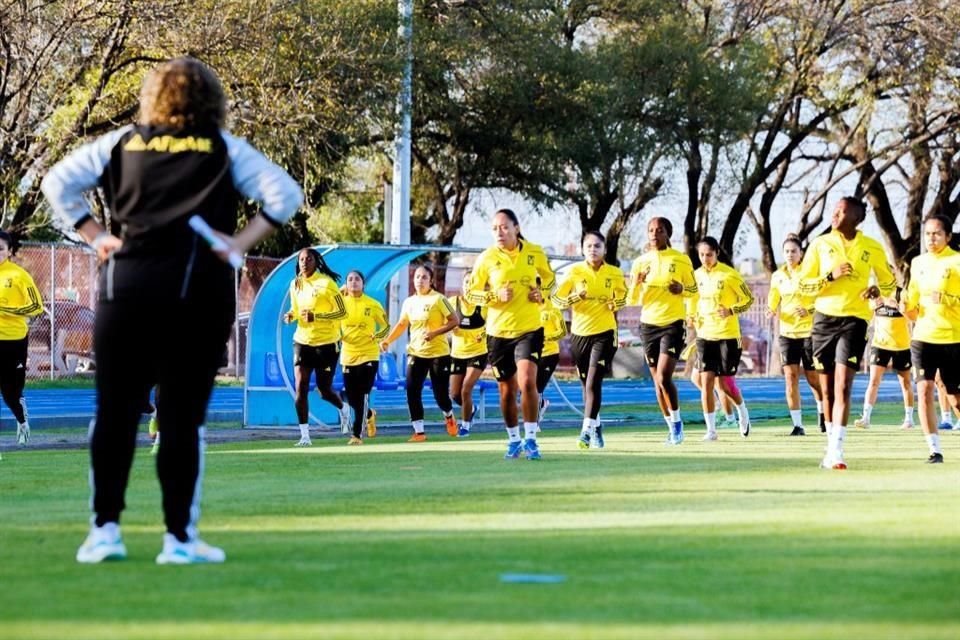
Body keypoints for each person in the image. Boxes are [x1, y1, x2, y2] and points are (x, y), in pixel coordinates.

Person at [41, 57, 303, 564]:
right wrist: (239, 242)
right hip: (196, 294)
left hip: (126, 288)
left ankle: (104, 532)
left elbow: (57, 183)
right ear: (212, 100)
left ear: (153, 96)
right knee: (181, 419)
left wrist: (96, 236)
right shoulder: (223, 148)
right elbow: (284, 194)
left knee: (115, 414)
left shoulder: (121, 142)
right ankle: (179, 540)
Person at [798, 197, 897, 470]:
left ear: (856, 218)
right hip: (823, 321)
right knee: (827, 390)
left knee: (844, 385)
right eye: (834, 211)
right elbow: (803, 287)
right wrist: (829, 277)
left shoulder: (871, 247)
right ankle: (830, 448)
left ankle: (837, 451)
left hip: (855, 321)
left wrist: (877, 291)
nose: (835, 215)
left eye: (841, 212)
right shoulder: (820, 245)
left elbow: (889, 283)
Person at [466, 209, 555, 460]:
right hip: (498, 333)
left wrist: (541, 293)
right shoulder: (486, 258)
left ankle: (531, 439)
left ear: (516, 228)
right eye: (494, 228)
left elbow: (549, 279)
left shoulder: (534, 252)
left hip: (529, 329)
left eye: (504, 227)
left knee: (527, 382)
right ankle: (514, 440)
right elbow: (471, 294)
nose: (499, 232)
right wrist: (494, 296)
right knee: (506, 390)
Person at [552, 231, 626, 450]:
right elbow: (557, 300)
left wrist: (616, 303)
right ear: (582, 249)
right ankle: (596, 426)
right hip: (579, 334)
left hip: (605, 333)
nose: (593, 250)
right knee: (586, 386)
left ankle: (585, 431)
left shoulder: (614, 273)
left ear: (604, 249)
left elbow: (623, 297)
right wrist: (576, 297)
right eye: (588, 246)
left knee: (594, 380)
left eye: (597, 246)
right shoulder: (574, 272)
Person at [627, 218, 697, 445]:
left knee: (664, 377)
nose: (654, 234)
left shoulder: (681, 259)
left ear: (668, 234)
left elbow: (694, 290)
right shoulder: (640, 262)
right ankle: (671, 428)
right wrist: (636, 283)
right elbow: (631, 299)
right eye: (650, 230)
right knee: (657, 382)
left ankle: (678, 424)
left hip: (673, 324)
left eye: (659, 230)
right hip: (648, 325)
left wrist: (682, 289)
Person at [901, 214, 960, 463]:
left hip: (953, 338)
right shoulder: (917, 263)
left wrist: (947, 299)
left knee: (953, 395)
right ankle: (934, 450)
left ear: (947, 236)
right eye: (927, 234)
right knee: (924, 389)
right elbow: (912, 303)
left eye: (936, 233)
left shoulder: (957, 262)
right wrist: (906, 306)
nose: (931, 238)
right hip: (923, 337)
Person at [380, 264, 459, 441]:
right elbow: (402, 324)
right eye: (417, 277)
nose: (420, 280)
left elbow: (454, 320)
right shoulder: (409, 302)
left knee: (440, 395)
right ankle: (419, 432)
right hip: (416, 352)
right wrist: (387, 340)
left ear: (431, 280)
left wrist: (434, 333)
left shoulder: (438, 299)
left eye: (424, 277)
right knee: (412, 389)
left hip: (439, 353)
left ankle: (449, 415)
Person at [690, 236, 754, 440]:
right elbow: (692, 300)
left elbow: (748, 300)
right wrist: (691, 317)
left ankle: (742, 411)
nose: (705, 258)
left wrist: (731, 310)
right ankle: (711, 430)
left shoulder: (729, 274)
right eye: (701, 255)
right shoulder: (696, 275)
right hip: (704, 335)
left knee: (725, 384)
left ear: (716, 252)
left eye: (709, 254)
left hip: (727, 335)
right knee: (706, 381)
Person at [283, 247, 348, 447]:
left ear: (316, 262)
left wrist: (317, 316)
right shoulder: (295, 284)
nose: (304, 262)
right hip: (302, 341)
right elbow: (294, 309)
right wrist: (290, 315)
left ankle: (343, 408)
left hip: (326, 343)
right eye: (301, 259)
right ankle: (304, 436)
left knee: (323, 389)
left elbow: (342, 312)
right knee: (300, 386)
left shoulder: (328, 284)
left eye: (308, 259)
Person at [767, 235, 824, 436]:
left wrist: (809, 310)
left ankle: (822, 411)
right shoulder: (778, 276)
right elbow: (774, 297)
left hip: (809, 333)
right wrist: (771, 309)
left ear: (801, 254)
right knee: (790, 377)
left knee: (813, 379)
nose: (790, 255)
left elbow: (822, 297)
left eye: (794, 251)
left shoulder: (810, 273)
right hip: (786, 333)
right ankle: (798, 425)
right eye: (787, 251)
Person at [0, 229, 44, 446]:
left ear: (8, 252)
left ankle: (22, 421)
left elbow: (37, 307)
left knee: (10, 393)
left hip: (14, 341)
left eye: (0, 249)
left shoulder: (18, 275)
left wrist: (6, 310)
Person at [853, 287, 914, 430]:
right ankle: (866, 418)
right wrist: (873, 305)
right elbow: (867, 313)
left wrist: (898, 306)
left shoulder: (902, 293)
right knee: (874, 381)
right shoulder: (877, 292)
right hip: (880, 345)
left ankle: (909, 419)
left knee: (905, 383)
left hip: (901, 346)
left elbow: (912, 316)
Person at [340, 270, 388, 444]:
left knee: (363, 394)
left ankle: (356, 435)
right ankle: (369, 414)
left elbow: (385, 326)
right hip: (348, 355)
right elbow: (329, 321)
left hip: (369, 354)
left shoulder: (373, 304)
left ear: (363, 283)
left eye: (357, 279)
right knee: (351, 396)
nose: (353, 282)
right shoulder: (340, 304)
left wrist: (378, 337)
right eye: (350, 279)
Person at [448, 270, 487, 438]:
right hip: (457, 354)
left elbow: (494, 324)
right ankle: (471, 409)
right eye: (466, 282)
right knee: (454, 394)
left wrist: (483, 334)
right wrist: (451, 328)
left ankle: (465, 426)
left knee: (466, 389)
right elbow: (444, 322)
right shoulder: (452, 302)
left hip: (478, 353)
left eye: (472, 282)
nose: (468, 286)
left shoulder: (484, 305)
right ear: (461, 285)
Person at [537, 297, 567, 429]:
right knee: (525, 387)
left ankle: (534, 422)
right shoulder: (526, 308)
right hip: (527, 354)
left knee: (537, 388)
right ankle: (541, 404)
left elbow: (562, 332)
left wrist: (545, 338)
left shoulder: (553, 309)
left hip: (549, 354)